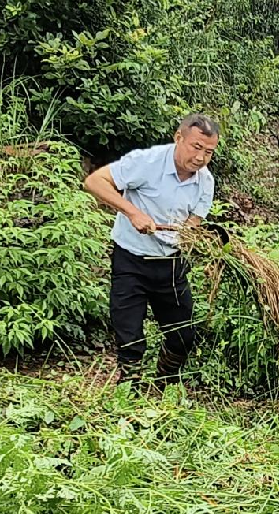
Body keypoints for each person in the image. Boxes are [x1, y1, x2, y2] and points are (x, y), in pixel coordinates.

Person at [83, 114, 219, 388]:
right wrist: (133, 213)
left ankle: (165, 385)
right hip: (131, 259)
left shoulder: (205, 182)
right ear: (178, 137)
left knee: (183, 336)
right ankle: (129, 390)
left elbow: (193, 223)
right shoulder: (146, 162)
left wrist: (193, 236)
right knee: (130, 335)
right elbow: (94, 182)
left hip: (170, 264)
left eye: (209, 151)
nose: (201, 157)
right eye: (196, 147)